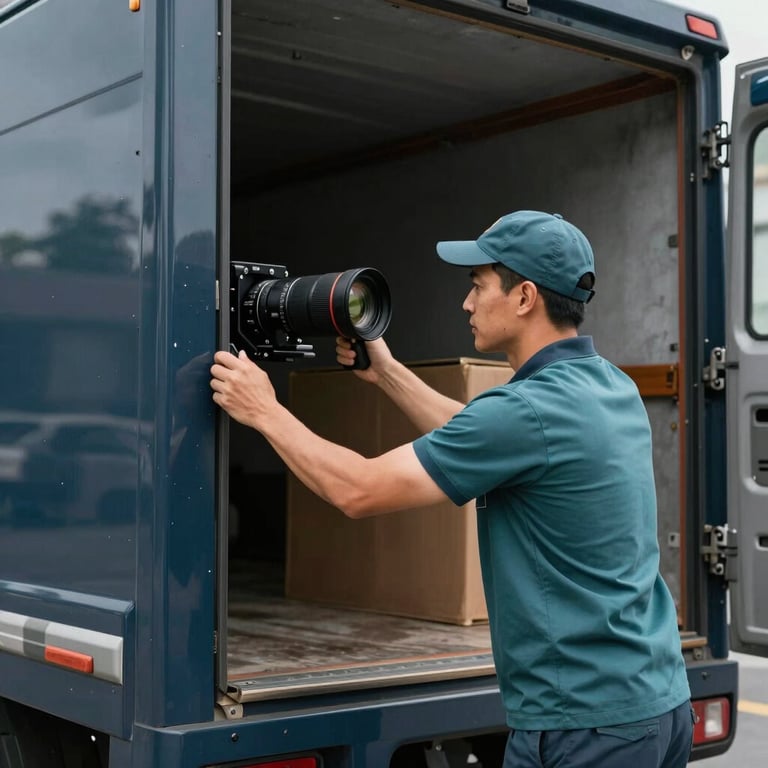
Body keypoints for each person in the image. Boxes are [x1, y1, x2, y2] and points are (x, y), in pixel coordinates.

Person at [210, 210, 693, 768]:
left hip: (585, 724)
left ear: (525, 297)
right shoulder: (609, 386)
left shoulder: (527, 410)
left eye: (478, 285)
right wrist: (388, 372)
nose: (466, 303)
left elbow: (357, 490)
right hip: (656, 702)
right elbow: (483, 434)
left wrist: (265, 410)